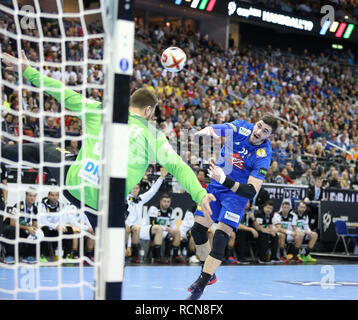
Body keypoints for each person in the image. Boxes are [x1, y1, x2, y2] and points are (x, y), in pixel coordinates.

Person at [1, 51, 215, 231]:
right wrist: (201, 194)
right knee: (112, 257)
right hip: (105, 205)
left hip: (76, 185)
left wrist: (27, 70)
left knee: (44, 150)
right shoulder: (155, 137)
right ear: (149, 110)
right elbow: (179, 167)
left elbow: (63, 93)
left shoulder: (102, 110)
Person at [186, 114, 277, 300]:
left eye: (265, 131)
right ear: (256, 123)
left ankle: (200, 286)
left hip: (236, 195)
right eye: (259, 126)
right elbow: (220, 128)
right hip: (216, 187)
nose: (259, 132)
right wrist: (208, 130)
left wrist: (225, 180)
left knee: (220, 237)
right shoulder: (242, 127)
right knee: (198, 230)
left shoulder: (264, 155)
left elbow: (251, 191)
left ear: (270, 136)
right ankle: (209, 273)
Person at [125, 167, 168, 263]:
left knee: (158, 228)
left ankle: (155, 257)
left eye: (137, 188)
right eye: (133, 188)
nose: (135, 190)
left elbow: (152, 191)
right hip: (129, 228)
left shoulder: (140, 199)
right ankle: (134, 256)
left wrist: (161, 177)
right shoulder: (126, 199)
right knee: (136, 228)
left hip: (141, 228)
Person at [3, 187, 43, 264]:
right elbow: (12, 223)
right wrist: (28, 228)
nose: (32, 198)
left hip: (23, 228)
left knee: (36, 232)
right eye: (30, 196)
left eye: (34, 196)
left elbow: (35, 225)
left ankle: (27, 256)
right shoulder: (17, 205)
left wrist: (33, 229)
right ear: (26, 196)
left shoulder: (35, 208)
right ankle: (9, 256)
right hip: (10, 227)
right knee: (13, 230)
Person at [146, 193, 185, 264]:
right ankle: (157, 257)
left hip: (163, 231)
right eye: (164, 201)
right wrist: (167, 228)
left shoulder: (171, 210)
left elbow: (173, 225)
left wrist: (173, 231)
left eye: (168, 202)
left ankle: (175, 256)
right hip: (150, 230)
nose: (166, 204)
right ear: (160, 201)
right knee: (159, 230)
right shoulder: (154, 209)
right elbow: (153, 224)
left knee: (177, 232)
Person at [39, 188, 75, 262]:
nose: (54, 197)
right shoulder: (42, 205)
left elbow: (63, 219)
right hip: (47, 229)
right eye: (52, 195)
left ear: (58, 197)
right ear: (48, 196)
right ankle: (41, 255)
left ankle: (67, 256)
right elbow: (43, 221)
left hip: (56, 230)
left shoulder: (62, 206)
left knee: (69, 230)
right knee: (44, 229)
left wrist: (60, 226)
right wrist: (55, 226)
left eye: (56, 195)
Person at [0, 163, 8, 261]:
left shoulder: (1, 165)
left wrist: (5, 201)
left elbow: (5, 184)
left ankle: (1, 254)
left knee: (0, 229)